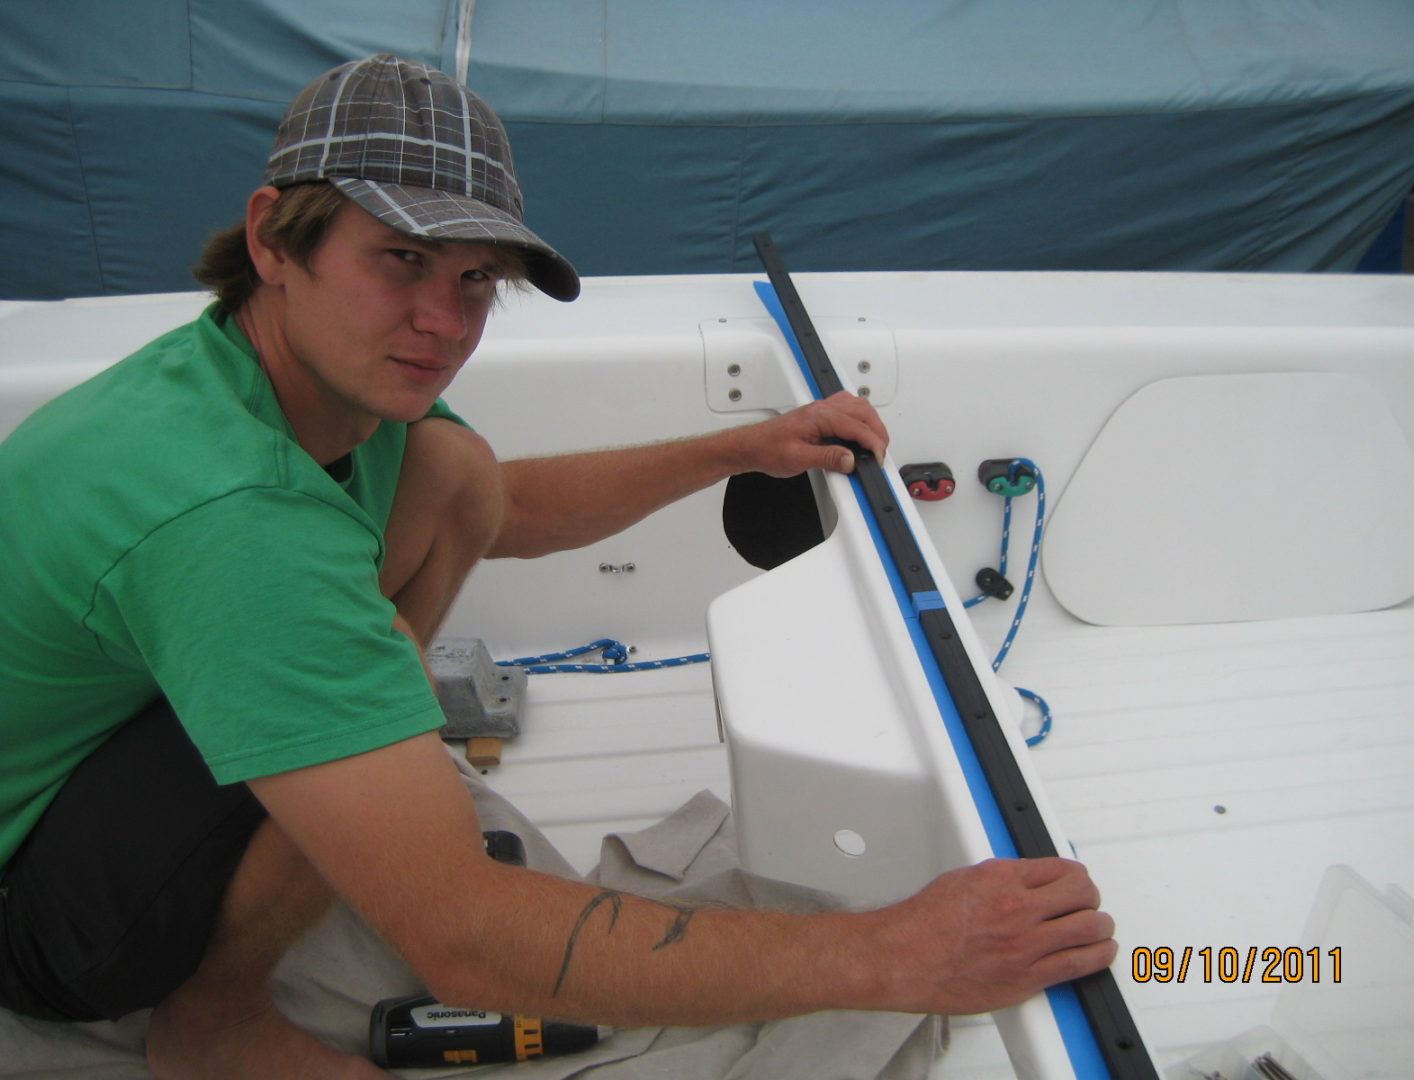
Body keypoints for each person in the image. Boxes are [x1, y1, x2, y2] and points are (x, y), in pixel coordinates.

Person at [0, 54, 1117, 1080]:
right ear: (273, 241)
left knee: (454, 470)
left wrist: (741, 446)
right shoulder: (232, 517)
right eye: (402, 259)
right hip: (30, 913)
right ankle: (218, 1021)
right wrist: (894, 954)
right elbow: (472, 955)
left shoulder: (286, 375)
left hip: (100, 740)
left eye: (477, 279)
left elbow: (502, 506)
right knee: (354, 654)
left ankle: (330, 782)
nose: (444, 321)